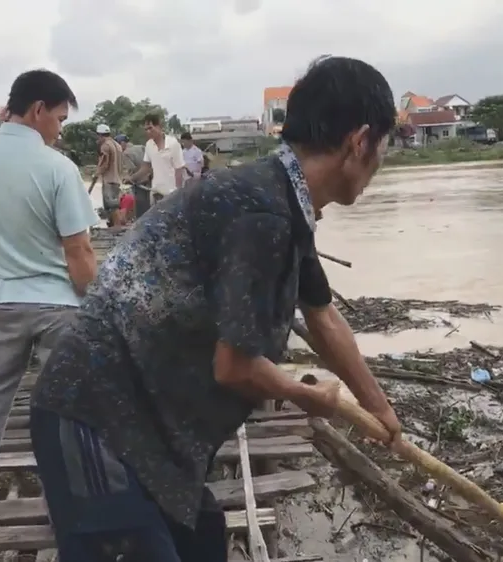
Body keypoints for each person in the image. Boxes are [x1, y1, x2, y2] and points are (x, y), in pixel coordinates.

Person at [30, 56, 400, 561]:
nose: (380, 160)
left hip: (154, 423)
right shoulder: (261, 213)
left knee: (203, 543)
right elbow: (235, 367)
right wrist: (307, 396)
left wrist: (377, 407)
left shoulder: (282, 199)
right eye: (383, 145)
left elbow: (322, 315)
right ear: (359, 142)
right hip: (95, 415)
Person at [0, 69, 99, 534]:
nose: (59, 128)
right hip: (59, 307)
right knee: (62, 414)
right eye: (59, 118)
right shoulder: (58, 168)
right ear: (38, 111)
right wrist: (97, 305)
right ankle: (68, 510)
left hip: (4, 301)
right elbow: (79, 252)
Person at [129, 113, 184, 204]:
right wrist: (132, 178)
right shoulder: (149, 145)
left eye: (150, 128)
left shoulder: (173, 144)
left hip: (171, 194)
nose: (148, 132)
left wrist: (178, 193)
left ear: (159, 126)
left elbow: (179, 170)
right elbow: (145, 168)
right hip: (156, 193)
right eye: (146, 129)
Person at [88, 124, 122, 225]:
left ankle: (116, 227)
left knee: (112, 206)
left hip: (109, 180)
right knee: (114, 205)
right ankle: (115, 227)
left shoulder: (106, 146)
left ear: (100, 135)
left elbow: (104, 164)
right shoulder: (117, 145)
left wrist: (96, 174)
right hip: (117, 180)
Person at [117, 134, 150, 218]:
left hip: (140, 183)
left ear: (122, 143)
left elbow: (131, 169)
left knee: (141, 210)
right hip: (150, 180)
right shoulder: (141, 147)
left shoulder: (126, 153)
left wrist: (128, 179)